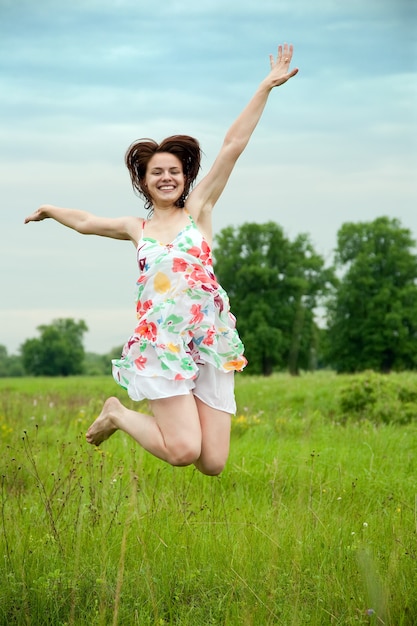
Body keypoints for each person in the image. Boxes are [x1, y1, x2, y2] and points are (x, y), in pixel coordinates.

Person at [24, 43, 298, 476]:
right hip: (163, 343)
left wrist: (266, 86)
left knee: (212, 463)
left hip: (207, 339)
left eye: (174, 171)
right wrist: (49, 211)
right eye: (157, 172)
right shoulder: (138, 228)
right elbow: (87, 220)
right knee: (183, 451)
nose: (167, 177)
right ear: (144, 182)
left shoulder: (200, 210)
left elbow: (232, 146)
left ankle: (131, 414)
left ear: (185, 177)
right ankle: (116, 412)